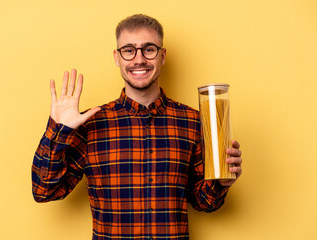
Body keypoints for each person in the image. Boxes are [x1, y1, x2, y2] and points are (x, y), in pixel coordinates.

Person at [32, 14, 242, 240]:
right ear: (117, 57)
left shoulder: (192, 122)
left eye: (149, 49)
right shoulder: (91, 125)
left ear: (162, 56)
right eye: (129, 50)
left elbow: (204, 203)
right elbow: (44, 191)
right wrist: (58, 130)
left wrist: (222, 183)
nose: (139, 59)